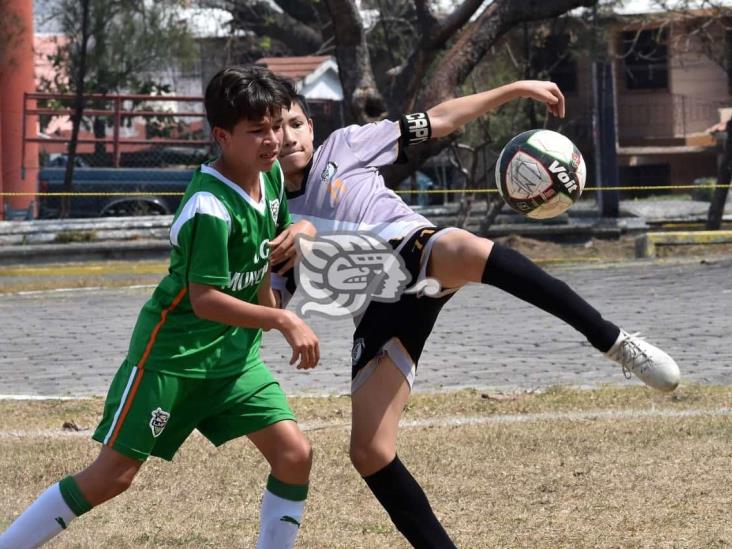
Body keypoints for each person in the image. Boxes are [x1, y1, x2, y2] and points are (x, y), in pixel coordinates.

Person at [269, 79, 681, 548]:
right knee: (369, 452)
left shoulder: (346, 145)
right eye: (275, 129)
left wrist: (515, 89)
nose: (287, 138)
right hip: (378, 309)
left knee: (463, 248)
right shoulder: (270, 213)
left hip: (413, 250)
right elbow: (271, 304)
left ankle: (613, 340)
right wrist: (264, 272)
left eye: (296, 124)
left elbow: (440, 119)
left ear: (312, 127)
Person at [0, 65, 320, 549]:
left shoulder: (269, 175)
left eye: (276, 125)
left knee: (295, 454)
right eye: (257, 130)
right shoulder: (209, 206)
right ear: (221, 135)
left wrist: (293, 251)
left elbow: (267, 252)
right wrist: (281, 318)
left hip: (234, 362)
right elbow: (205, 300)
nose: (273, 139)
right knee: (112, 476)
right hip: (170, 362)